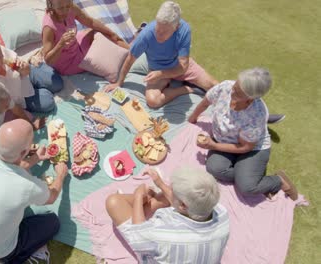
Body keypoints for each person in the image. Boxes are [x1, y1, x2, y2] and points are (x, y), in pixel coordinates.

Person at [0, 119, 69, 263]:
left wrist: (36, 158)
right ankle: (8, 259)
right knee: (52, 223)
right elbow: (51, 197)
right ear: (24, 151)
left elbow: (8, 167)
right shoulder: (25, 185)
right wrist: (61, 176)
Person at [188, 67, 298, 200]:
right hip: (225, 140)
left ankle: (277, 181)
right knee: (214, 169)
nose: (232, 91)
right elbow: (206, 102)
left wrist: (213, 146)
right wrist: (193, 117)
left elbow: (245, 147)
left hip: (252, 148)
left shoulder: (257, 115)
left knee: (247, 187)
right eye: (236, 85)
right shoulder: (225, 87)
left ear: (250, 99)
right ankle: (246, 174)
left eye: (238, 92)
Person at [104, 1, 218, 108]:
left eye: (164, 32)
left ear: (176, 27)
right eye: (158, 29)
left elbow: (183, 67)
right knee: (153, 101)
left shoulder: (184, 30)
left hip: (180, 65)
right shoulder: (146, 35)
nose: (159, 35)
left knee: (215, 86)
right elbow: (130, 58)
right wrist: (119, 82)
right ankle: (187, 89)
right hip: (156, 69)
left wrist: (161, 74)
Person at [106, 167, 230, 264]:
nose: (170, 189)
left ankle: (146, 201)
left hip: (148, 241)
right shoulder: (222, 213)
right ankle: (150, 201)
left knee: (113, 202)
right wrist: (159, 183)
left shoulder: (164, 236)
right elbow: (184, 203)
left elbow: (138, 235)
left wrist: (138, 197)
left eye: (173, 190)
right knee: (163, 197)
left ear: (182, 205)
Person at [0, 30, 63, 129]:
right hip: (19, 98)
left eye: (0, 50)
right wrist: (31, 124)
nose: (2, 55)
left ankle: (35, 65)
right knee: (49, 102)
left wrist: (25, 68)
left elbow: (25, 70)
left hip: (24, 76)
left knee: (58, 83)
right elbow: (10, 105)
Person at [42, 0, 129, 75]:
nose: (65, 11)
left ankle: (132, 51)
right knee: (103, 48)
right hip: (67, 63)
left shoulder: (71, 8)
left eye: (67, 6)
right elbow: (48, 61)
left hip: (76, 45)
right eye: (60, 8)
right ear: (51, 5)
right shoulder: (49, 28)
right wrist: (61, 44)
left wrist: (112, 34)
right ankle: (128, 59)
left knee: (101, 32)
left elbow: (90, 22)